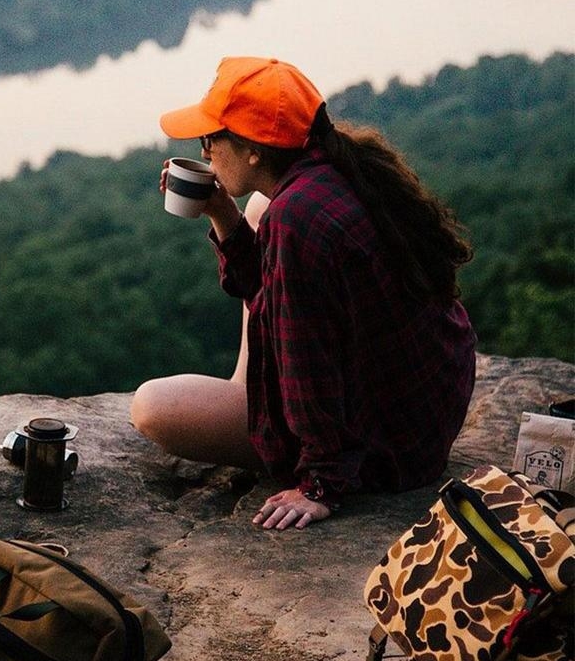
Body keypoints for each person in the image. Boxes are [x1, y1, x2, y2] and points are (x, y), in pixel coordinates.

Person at [131, 56, 476, 530]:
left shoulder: (296, 222)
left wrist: (320, 483)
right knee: (254, 208)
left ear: (254, 150)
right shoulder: (330, 169)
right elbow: (277, 296)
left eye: (211, 138)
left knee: (152, 408)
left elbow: (306, 360)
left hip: (386, 444)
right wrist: (220, 213)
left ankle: (258, 412)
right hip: (418, 411)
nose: (205, 151)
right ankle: (247, 398)